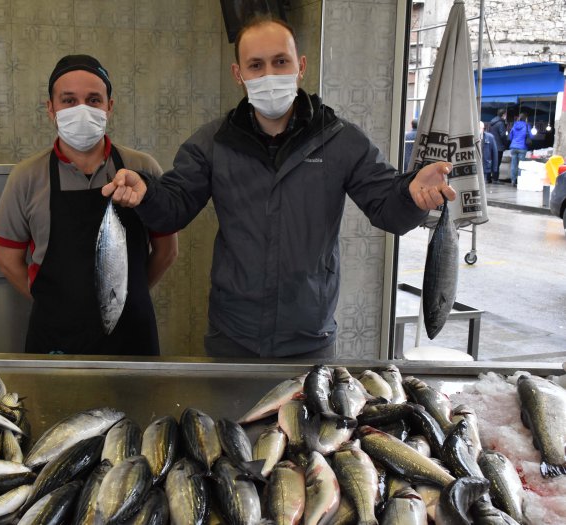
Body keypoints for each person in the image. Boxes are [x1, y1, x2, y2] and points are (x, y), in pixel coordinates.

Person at [103, 17, 455, 360]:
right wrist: (146, 192)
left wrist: (412, 193)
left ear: (300, 67)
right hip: (232, 336)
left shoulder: (340, 140)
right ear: (238, 74)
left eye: (280, 61)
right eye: (256, 65)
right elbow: (174, 205)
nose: (269, 74)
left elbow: (388, 208)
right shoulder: (213, 143)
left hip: (309, 338)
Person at [0, 54, 178, 356]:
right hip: (54, 339)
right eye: (68, 100)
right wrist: (54, 303)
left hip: (132, 337)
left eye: (93, 100)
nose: (81, 110)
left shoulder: (142, 168)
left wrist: (128, 294)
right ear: (50, 108)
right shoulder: (26, 177)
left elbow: (167, 251)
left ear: (110, 107)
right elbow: (7, 261)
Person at [508, 112, 531, 187]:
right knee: (521, 165)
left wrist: (515, 140)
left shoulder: (514, 125)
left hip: (513, 147)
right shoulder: (527, 125)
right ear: (525, 119)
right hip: (522, 148)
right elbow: (531, 136)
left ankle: (513, 180)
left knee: (513, 165)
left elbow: (510, 137)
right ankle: (520, 181)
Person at [488, 108, 508, 183]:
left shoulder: (492, 122)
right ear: (503, 115)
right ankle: (495, 179)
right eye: (505, 114)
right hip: (499, 147)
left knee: (491, 162)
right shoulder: (501, 123)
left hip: (491, 146)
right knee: (497, 163)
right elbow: (502, 135)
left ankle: (488, 178)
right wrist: (506, 143)